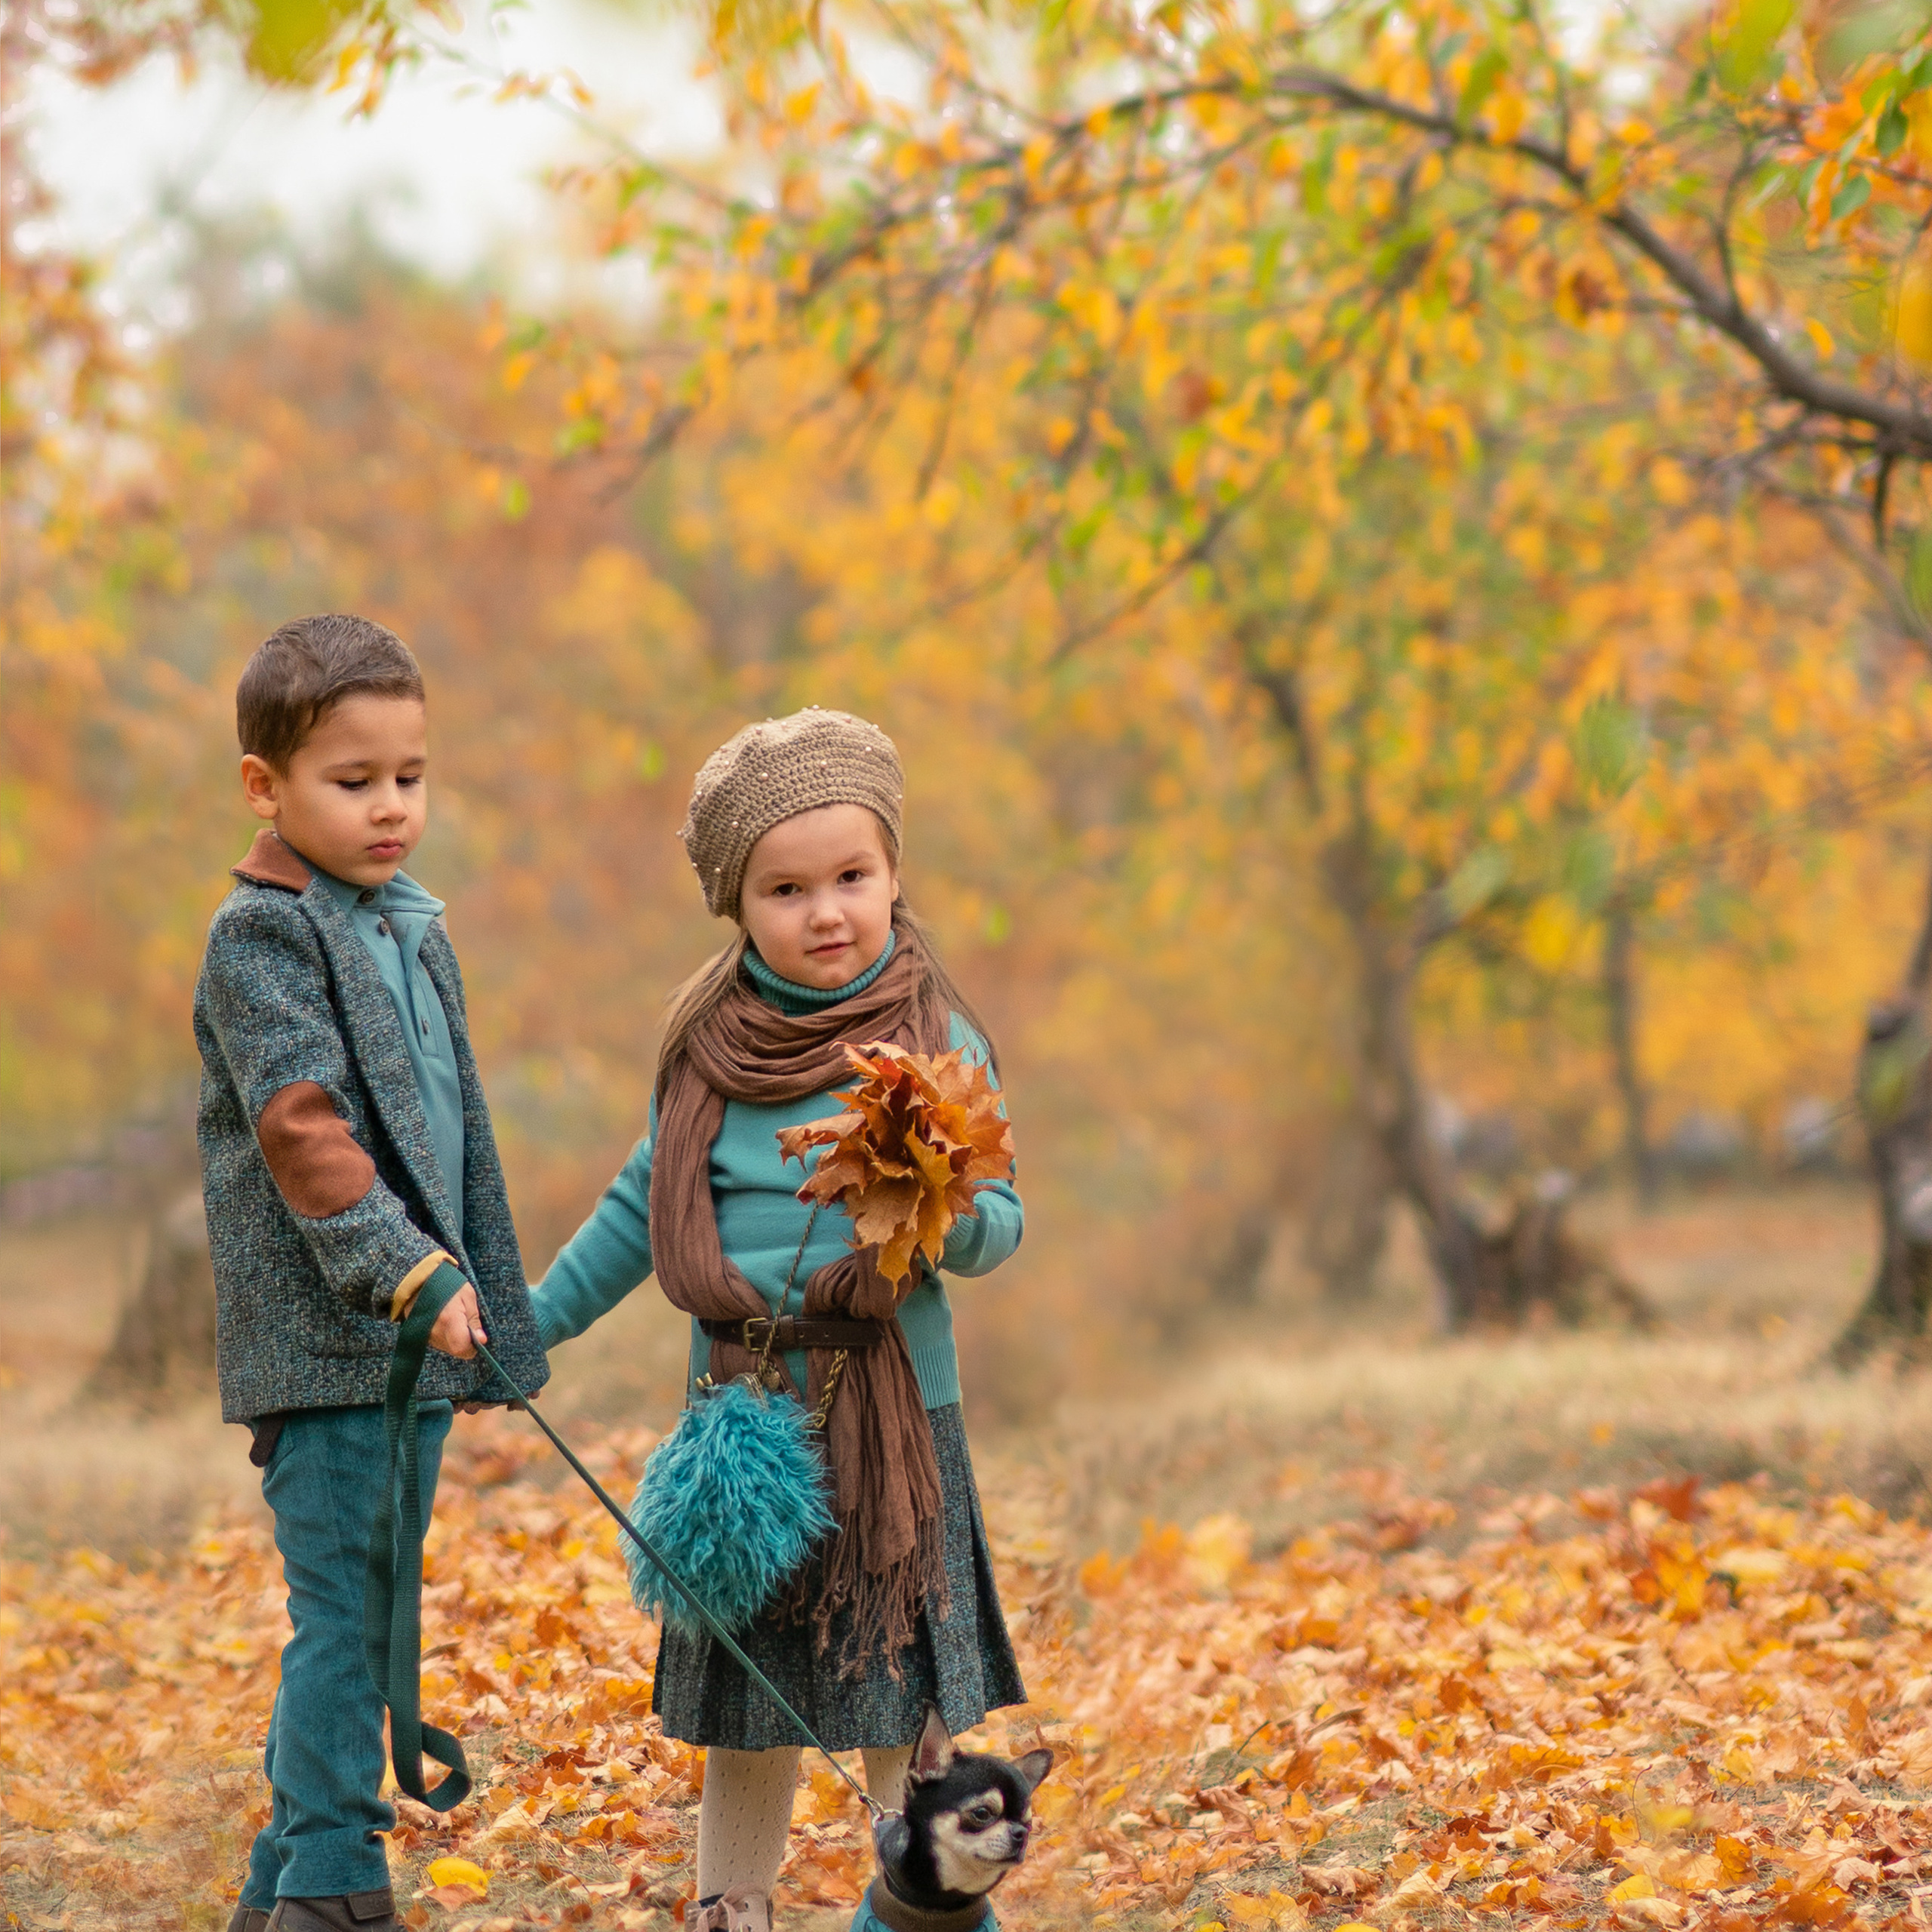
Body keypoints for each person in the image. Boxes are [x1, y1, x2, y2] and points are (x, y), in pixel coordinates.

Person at [532, 708, 1026, 1932]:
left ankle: (928, 1909)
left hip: (893, 1424)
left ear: (894, 874)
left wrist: (939, 1206)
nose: (827, 912)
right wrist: (534, 1323)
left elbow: (1001, 1226)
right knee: (751, 1715)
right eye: (787, 888)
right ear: (738, 907)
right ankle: (731, 1909)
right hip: (744, 1429)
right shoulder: (708, 1053)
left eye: (852, 877)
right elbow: (640, 1207)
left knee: (901, 1702)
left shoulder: (936, 1043)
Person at [194, 614, 549, 1932]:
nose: (392, 807)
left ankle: (286, 1881)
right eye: (355, 783)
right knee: (347, 1607)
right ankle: (338, 1882)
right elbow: (305, 1127)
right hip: (335, 1341)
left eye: (410, 776)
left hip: (408, 1341)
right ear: (265, 787)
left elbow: (451, 1132)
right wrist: (406, 1267)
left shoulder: (406, 928)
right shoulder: (262, 937)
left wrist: (473, 1288)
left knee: (374, 1598)